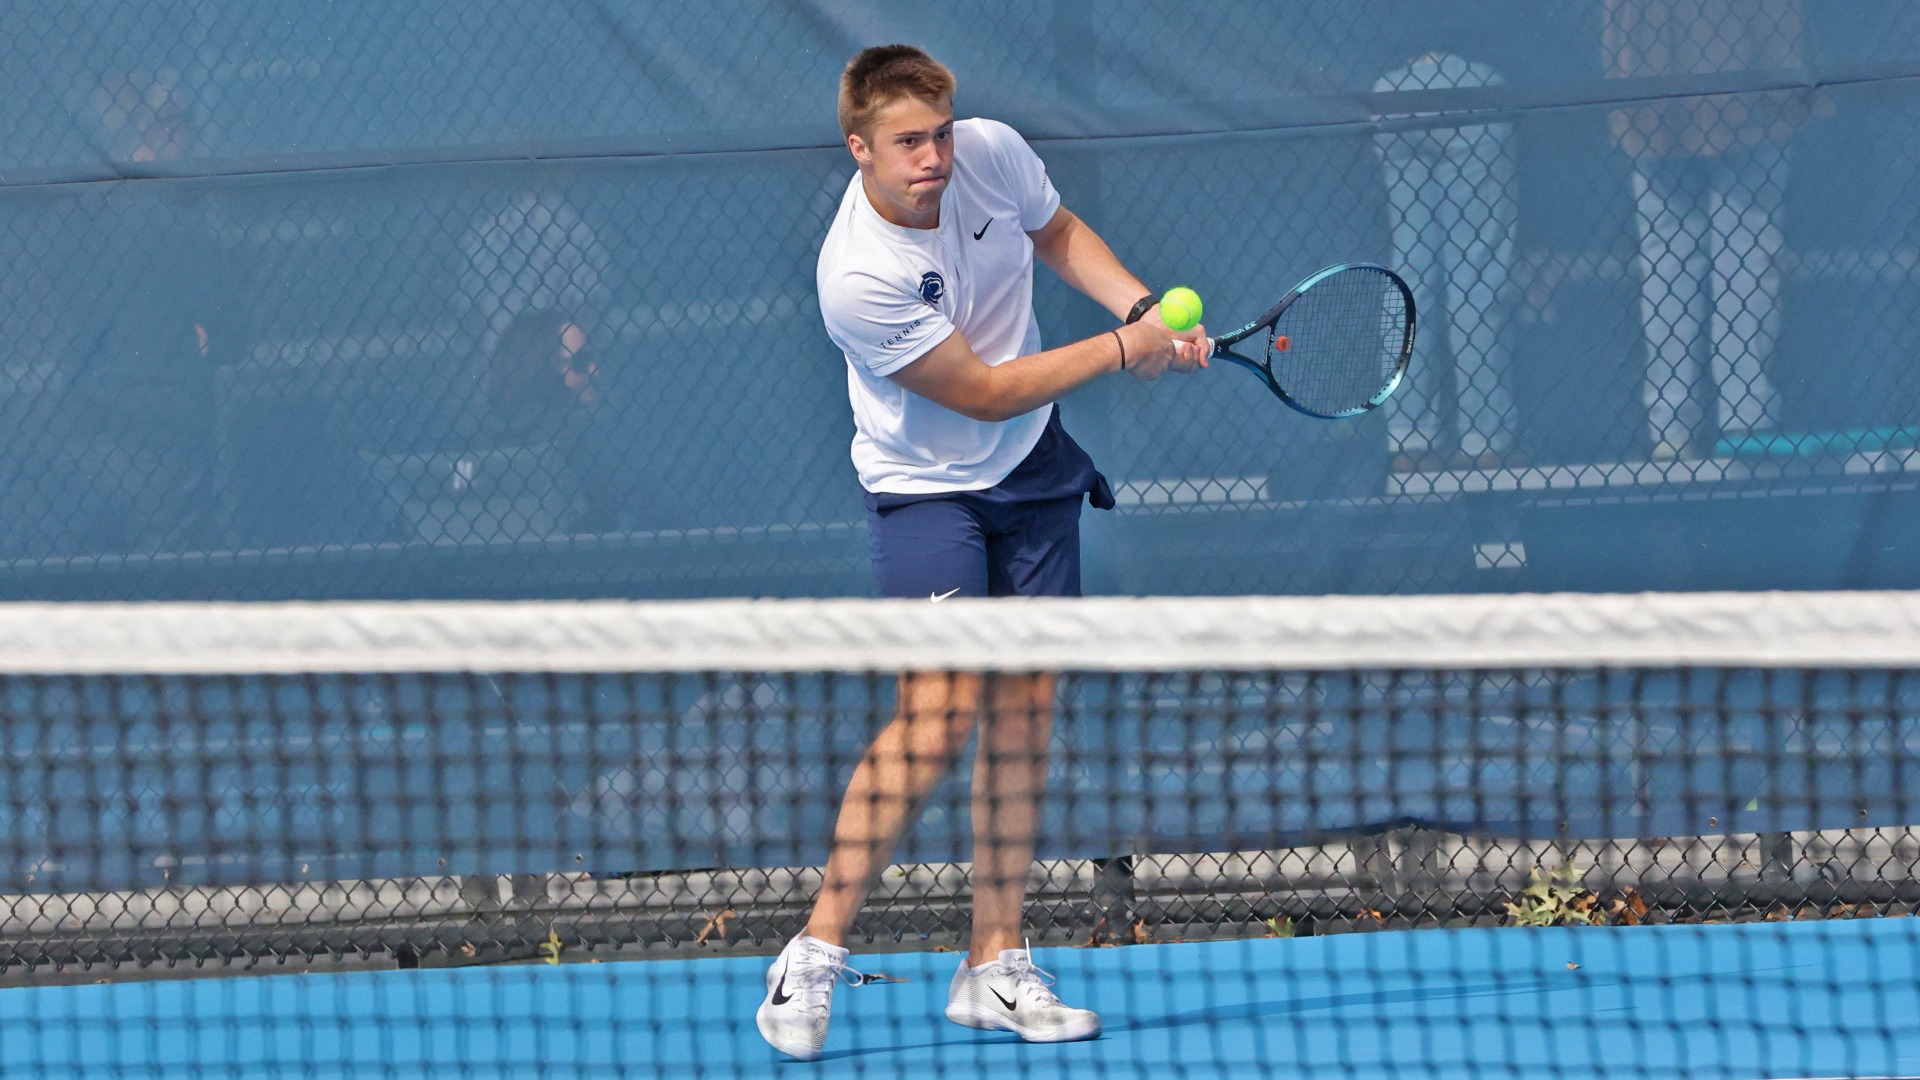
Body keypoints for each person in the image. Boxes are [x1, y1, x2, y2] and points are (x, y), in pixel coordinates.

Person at [754, 45, 1205, 1060]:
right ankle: (813, 955)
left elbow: (1060, 231)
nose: (935, 158)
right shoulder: (856, 277)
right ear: (859, 147)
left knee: (1023, 709)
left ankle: (994, 966)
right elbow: (988, 389)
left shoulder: (992, 156)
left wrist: (1140, 309)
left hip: (1033, 472)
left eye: (942, 134)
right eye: (909, 142)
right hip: (926, 493)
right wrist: (1126, 350)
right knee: (938, 714)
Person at [1604, 0, 1807, 461]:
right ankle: (1745, 416)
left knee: (1669, 252)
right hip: (1749, 65)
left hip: (1653, 73)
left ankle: (1673, 423)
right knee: (1745, 244)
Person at [1373, 50, 1519, 471]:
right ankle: (1484, 438)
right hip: (1470, 74)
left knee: (1411, 268)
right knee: (1474, 272)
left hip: (1397, 80)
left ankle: (1407, 436)